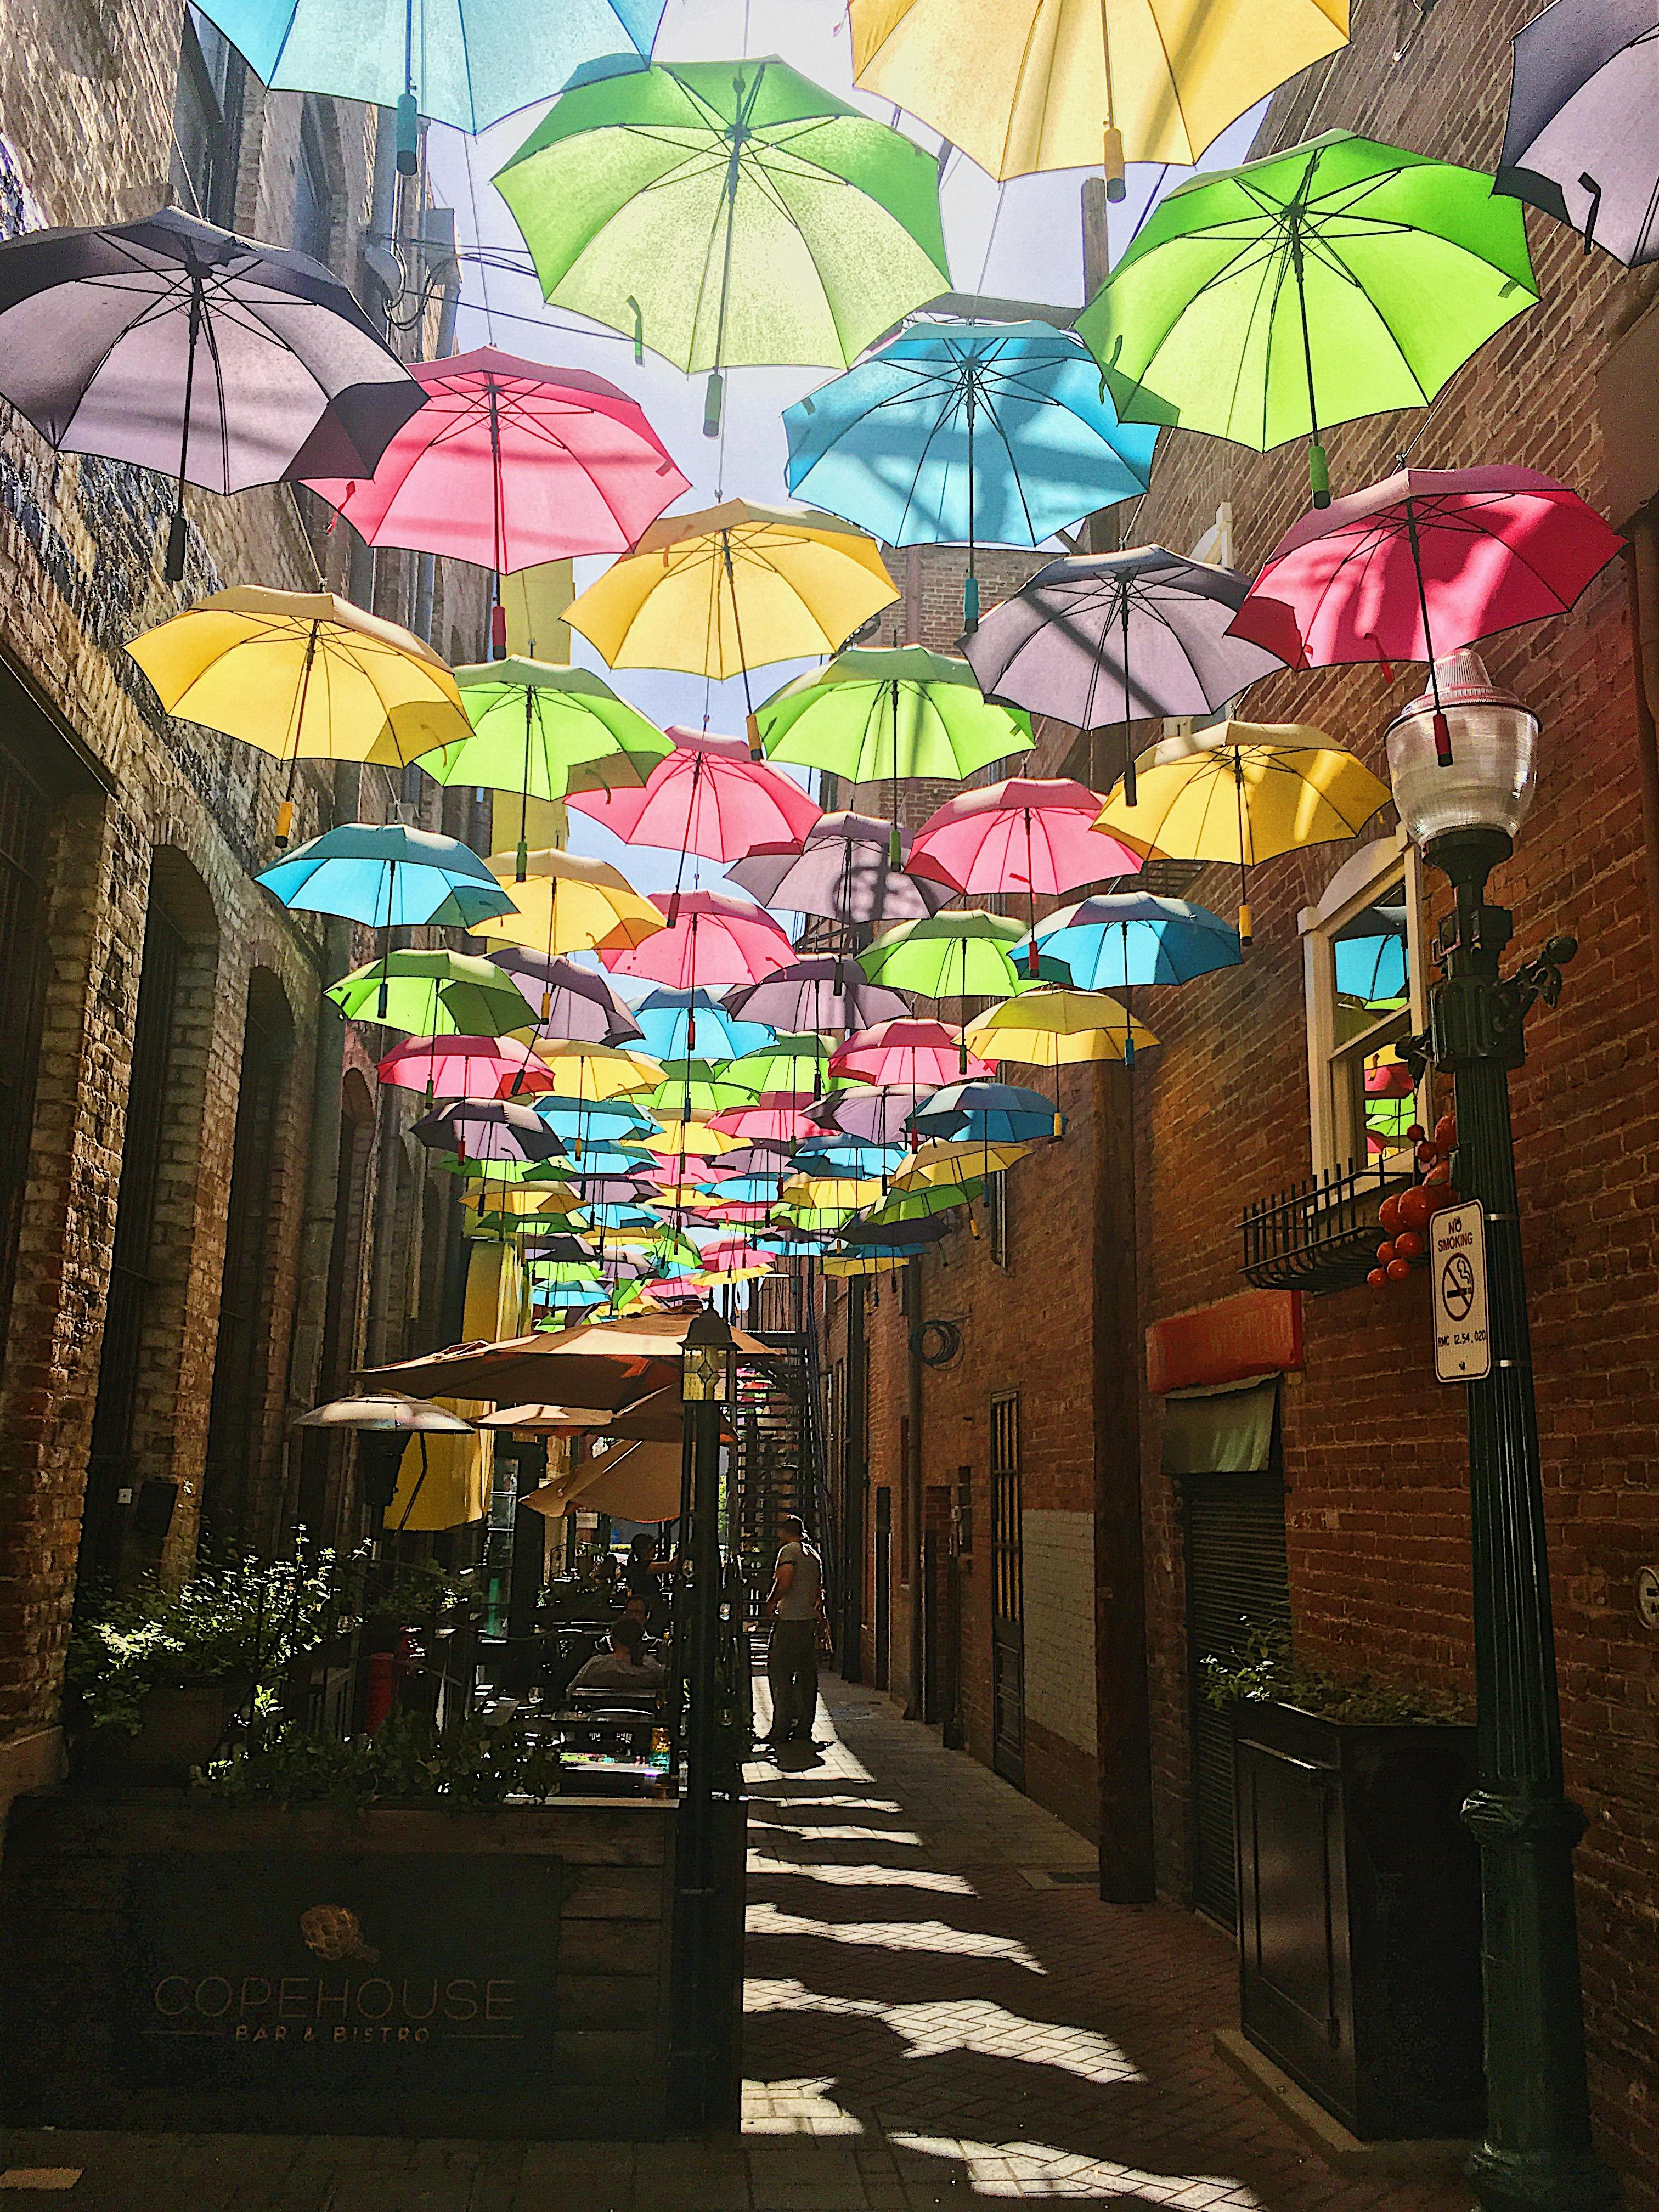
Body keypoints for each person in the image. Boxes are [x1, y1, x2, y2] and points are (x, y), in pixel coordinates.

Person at [763, 1511, 827, 1749]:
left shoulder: (789, 1551)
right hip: (808, 1620)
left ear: (785, 1531)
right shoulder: (814, 1555)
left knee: (780, 1674)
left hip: (790, 1620)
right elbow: (817, 1589)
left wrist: (771, 1601)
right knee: (807, 1676)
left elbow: (785, 1580)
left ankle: (781, 1727)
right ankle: (803, 1727)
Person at [568, 1615, 665, 1692]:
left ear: (613, 1639)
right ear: (639, 1639)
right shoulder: (652, 1668)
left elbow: (570, 1692)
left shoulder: (596, 1666)